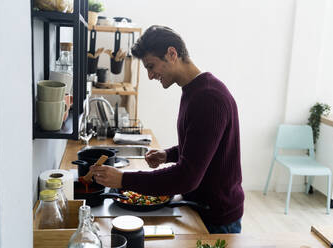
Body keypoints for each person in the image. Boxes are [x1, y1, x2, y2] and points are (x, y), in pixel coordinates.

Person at [90, 25, 244, 234]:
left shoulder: (208, 98)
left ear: (172, 54)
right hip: (199, 208)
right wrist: (169, 154)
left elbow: (187, 177)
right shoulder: (196, 90)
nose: (151, 75)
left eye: (151, 66)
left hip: (215, 219)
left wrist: (123, 180)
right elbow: (204, 147)